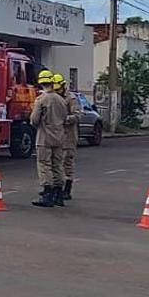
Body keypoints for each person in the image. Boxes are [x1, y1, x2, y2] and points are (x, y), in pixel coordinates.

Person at [30, 69, 68, 208]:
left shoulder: (41, 99)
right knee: (57, 165)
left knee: (44, 165)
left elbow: (34, 120)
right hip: (59, 137)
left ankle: (47, 194)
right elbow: (65, 118)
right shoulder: (61, 100)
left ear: (40, 83)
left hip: (44, 138)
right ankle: (59, 195)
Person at [54, 73, 81, 201]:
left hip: (68, 136)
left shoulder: (71, 98)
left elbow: (77, 115)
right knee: (56, 163)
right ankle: (56, 188)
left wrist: (63, 119)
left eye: (58, 89)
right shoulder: (54, 97)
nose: (56, 91)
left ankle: (67, 189)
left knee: (67, 163)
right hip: (56, 136)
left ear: (63, 86)